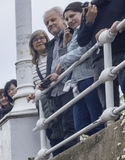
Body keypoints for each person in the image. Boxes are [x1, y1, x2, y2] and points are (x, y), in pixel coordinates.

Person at [60, 2, 105, 137]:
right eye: (66, 19)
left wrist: (63, 59)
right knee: (80, 126)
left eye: (72, 16)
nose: (69, 21)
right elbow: (66, 64)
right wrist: (65, 43)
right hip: (76, 83)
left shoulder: (87, 28)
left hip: (88, 77)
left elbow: (85, 48)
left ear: (82, 13)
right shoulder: (74, 34)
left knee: (97, 119)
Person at [44, 6, 78, 150]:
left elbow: (72, 56)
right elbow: (52, 66)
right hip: (55, 90)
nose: (50, 24)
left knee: (70, 124)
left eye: (53, 20)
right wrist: (45, 82)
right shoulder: (51, 44)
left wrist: (59, 74)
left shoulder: (72, 32)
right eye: (47, 23)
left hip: (68, 84)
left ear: (63, 19)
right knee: (62, 125)